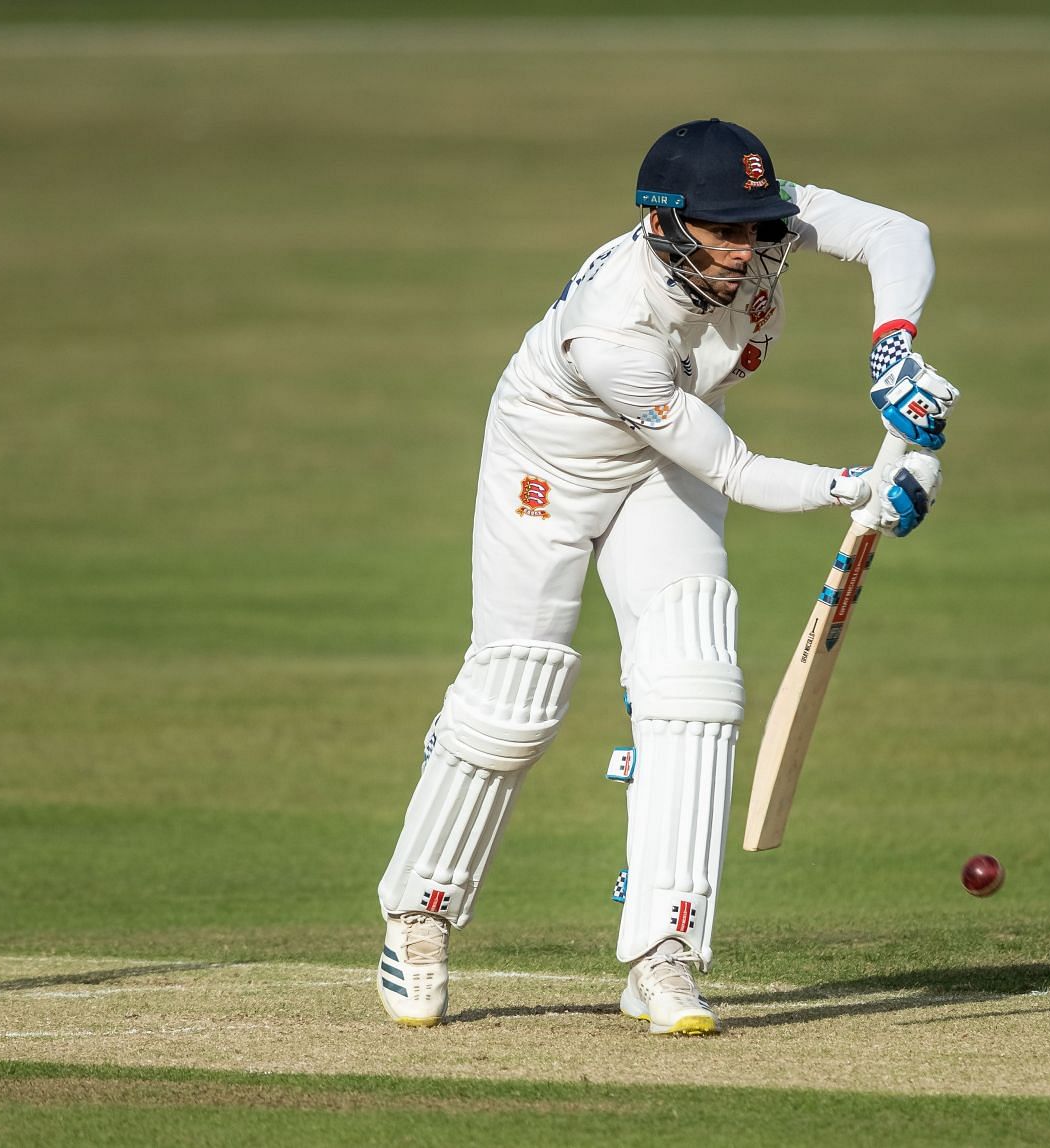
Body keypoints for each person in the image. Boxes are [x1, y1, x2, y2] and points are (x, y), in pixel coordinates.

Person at [374, 118, 957, 1035]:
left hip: (664, 463)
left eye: (760, 227)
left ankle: (666, 956)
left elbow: (899, 235)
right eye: (725, 231)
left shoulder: (760, 223)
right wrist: (857, 486)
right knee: (515, 693)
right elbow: (730, 467)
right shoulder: (611, 328)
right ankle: (419, 919)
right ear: (665, 224)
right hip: (552, 467)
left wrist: (892, 345)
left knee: (695, 682)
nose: (749, 248)